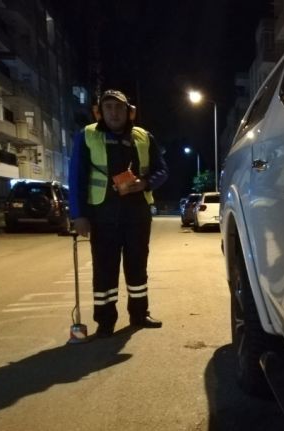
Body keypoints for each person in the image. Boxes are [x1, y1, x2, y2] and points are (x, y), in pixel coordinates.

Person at [68, 89, 168, 338]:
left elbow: (162, 170)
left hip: (137, 214)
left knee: (137, 267)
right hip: (103, 215)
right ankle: (105, 322)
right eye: (109, 107)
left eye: (119, 107)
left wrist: (145, 183)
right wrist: (79, 215)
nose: (114, 112)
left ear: (129, 111)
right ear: (99, 112)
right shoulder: (87, 135)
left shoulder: (144, 137)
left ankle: (139, 314)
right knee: (104, 269)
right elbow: (76, 177)